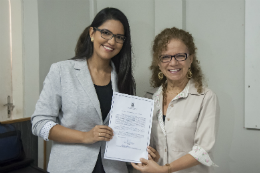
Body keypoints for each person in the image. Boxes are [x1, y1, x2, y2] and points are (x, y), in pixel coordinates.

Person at [31, 7, 135, 173]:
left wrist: (139, 149)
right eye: (106, 33)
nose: (112, 41)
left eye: (119, 37)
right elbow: (39, 124)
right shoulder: (62, 71)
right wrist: (85, 136)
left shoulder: (123, 77)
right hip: (70, 166)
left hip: (114, 168)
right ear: (92, 33)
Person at [132, 27, 219, 173]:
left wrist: (166, 169)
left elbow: (203, 151)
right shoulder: (149, 98)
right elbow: (145, 142)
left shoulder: (205, 98)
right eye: (165, 57)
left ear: (190, 58)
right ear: (158, 63)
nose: (173, 63)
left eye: (180, 56)